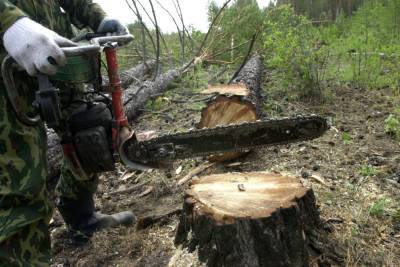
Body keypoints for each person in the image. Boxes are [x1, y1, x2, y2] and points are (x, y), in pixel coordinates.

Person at [0, 1, 135, 265]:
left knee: (90, 132)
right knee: (17, 183)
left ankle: (81, 218)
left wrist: (98, 18)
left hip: (54, 49)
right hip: (7, 62)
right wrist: (8, 22)